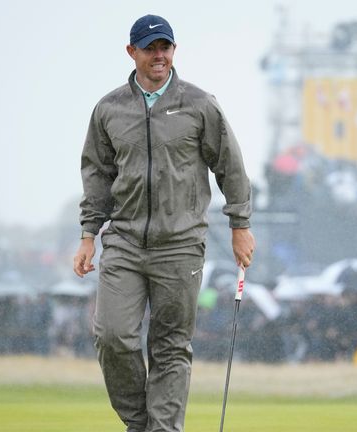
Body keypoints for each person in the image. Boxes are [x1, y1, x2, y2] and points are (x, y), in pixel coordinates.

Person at [72, 14, 255, 432]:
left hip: (181, 244)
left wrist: (240, 224)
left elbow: (231, 166)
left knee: (170, 347)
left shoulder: (199, 104)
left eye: (165, 47)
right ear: (131, 52)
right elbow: (97, 175)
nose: (159, 55)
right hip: (124, 242)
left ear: (174, 51)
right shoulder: (109, 109)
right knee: (113, 336)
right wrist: (87, 236)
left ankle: (163, 428)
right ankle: (141, 422)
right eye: (151, 48)